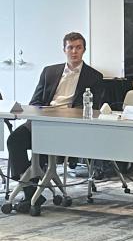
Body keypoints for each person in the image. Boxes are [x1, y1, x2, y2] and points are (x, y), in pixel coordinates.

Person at [7, 32, 103, 211]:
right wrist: (43, 112)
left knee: (43, 147)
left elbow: (93, 109)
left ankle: (31, 195)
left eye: (78, 48)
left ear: (84, 50)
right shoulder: (49, 71)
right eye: (70, 47)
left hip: (68, 126)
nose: (74, 51)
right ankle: (31, 192)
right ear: (64, 49)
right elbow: (35, 101)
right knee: (14, 140)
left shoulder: (94, 76)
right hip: (42, 120)